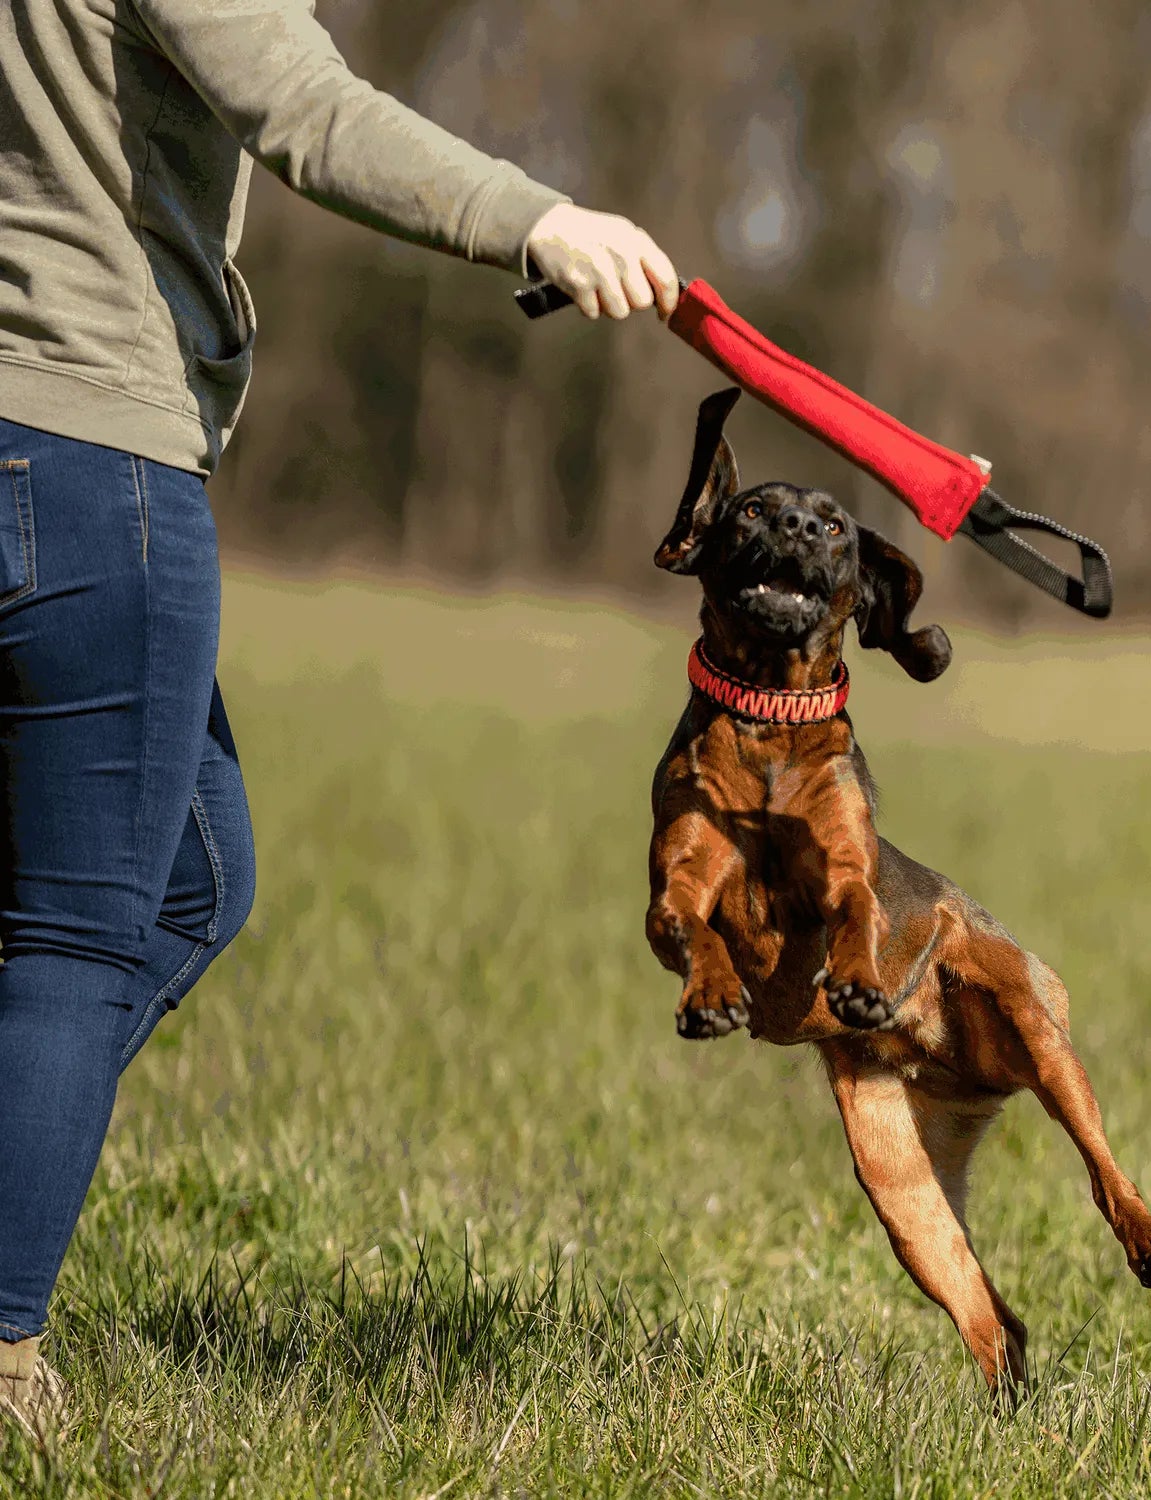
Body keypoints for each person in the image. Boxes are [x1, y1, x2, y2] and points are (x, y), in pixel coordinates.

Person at [0, 0, 679, 1437]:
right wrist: (535, 217)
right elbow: (303, 108)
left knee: (197, 877)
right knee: (77, 928)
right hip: (83, 449)